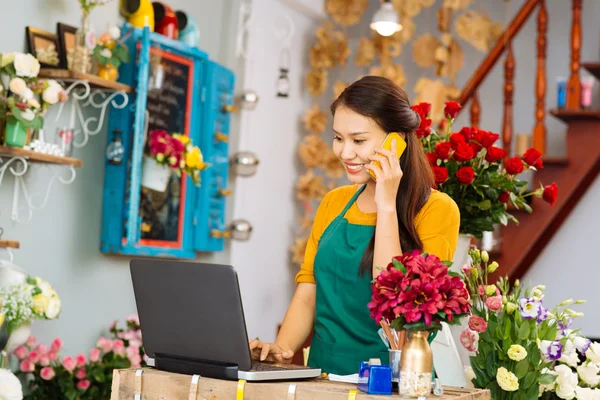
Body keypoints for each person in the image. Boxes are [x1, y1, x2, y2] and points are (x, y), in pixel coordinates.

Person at [249, 76, 460, 375]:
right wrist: (279, 353)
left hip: (391, 384)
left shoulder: (436, 210)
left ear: (396, 141)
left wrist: (387, 204)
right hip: (322, 380)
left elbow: (395, 305)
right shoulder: (334, 203)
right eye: (338, 138)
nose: (345, 153)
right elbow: (308, 294)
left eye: (359, 140)